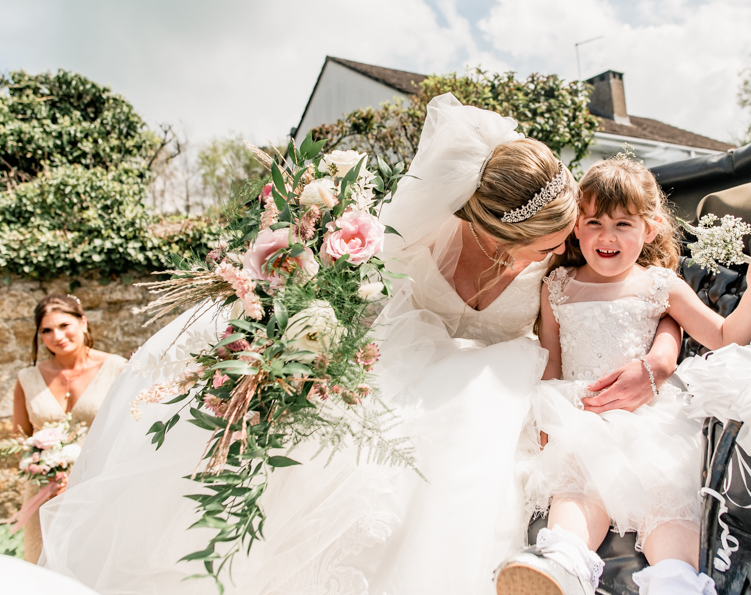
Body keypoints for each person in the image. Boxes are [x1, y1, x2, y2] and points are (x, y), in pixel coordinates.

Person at [39, 94, 685, 595]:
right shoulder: (418, 236)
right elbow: (350, 308)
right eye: (551, 243)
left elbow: (646, 281)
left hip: (490, 390)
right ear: (497, 235)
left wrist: (661, 354)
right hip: (394, 371)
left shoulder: (569, 248)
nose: (573, 243)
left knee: (472, 428)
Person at [495, 156, 751, 595]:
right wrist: (548, 421)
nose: (607, 236)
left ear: (649, 229)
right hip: (582, 411)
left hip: (650, 415)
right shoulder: (557, 284)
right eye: (594, 221)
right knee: (576, 484)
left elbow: (722, 335)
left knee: (666, 491)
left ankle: (676, 579)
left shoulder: (662, 284)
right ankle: (563, 560)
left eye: (623, 224)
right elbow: (553, 360)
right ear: (575, 228)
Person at [11, 294, 127, 563]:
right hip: (44, 492)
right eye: (47, 330)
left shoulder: (116, 368)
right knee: (43, 566)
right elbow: (20, 440)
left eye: (64, 325)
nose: (57, 336)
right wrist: (42, 466)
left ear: (83, 322)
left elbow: (129, 431)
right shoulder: (27, 378)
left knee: (95, 563)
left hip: (98, 487)